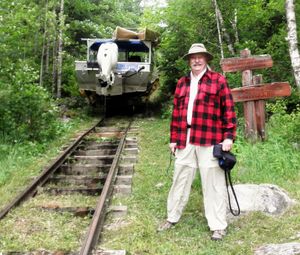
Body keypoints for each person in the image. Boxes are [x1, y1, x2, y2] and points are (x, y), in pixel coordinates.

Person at [157, 43, 237, 241]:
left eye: (200, 56)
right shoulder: (182, 83)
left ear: (206, 59)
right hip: (185, 139)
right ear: (189, 60)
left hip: (210, 138)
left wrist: (228, 137)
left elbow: (229, 110)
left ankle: (218, 225)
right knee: (180, 179)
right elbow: (176, 114)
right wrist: (173, 139)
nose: (197, 60)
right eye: (193, 57)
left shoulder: (218, 81)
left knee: (213, 183)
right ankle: (172, 217)